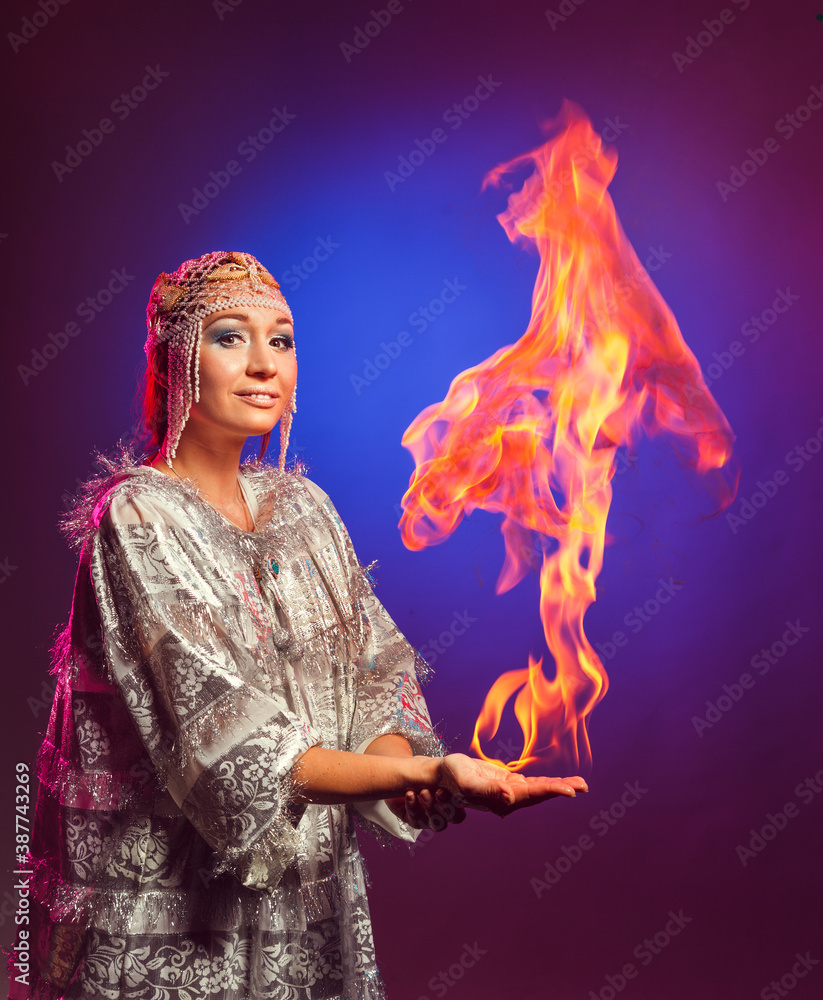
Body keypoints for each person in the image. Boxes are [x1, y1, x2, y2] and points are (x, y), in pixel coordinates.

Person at [8, 250, 587, 1000]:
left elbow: (377, 671)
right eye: (228, 336)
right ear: (174, 358)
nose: (261, 364)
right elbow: (229, 739)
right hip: (169, 914)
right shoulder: (138, 516)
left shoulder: (305, 510)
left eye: (280, 340)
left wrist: (394, 759)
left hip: (304, 903)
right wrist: (419, 771)